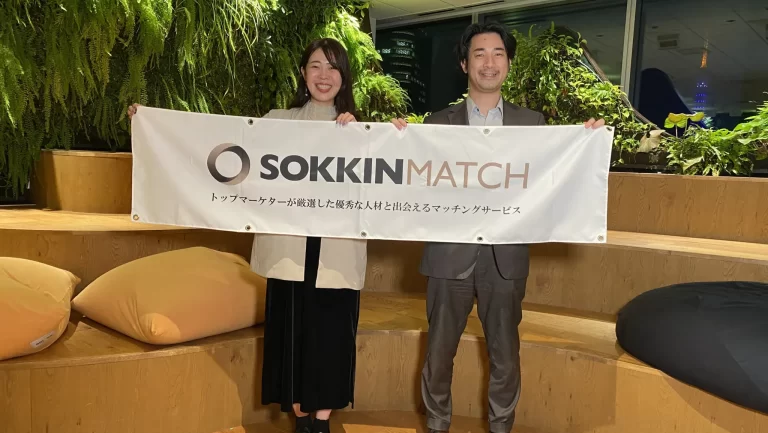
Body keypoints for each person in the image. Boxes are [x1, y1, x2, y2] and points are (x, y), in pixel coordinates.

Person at [127, 38, 364, 433]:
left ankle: (322, 421)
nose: (324, 75)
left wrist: (390, 134)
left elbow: (393, 170)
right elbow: (218, 142)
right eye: (316, 66)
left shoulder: (363, 129)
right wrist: (152, 122)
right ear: (303, 73)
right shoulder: (275, 121)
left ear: (344, 76)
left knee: (332, 334)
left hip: (336, 252)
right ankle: (301, 418)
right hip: (289, 249)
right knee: (292, 335)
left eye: (333, 67)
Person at [391, 23, 605, 433]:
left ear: (508, 63)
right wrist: (397, 142)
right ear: (464, 63)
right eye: (479, 54)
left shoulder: (533, 123)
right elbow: (413, 183)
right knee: (439, 355)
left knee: (505, 356)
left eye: (498, 54)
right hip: (448, 256)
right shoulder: (435, 123)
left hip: (505, 259)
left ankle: (501, 427)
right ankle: (436, 425)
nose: (489, 62)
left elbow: (555, 177)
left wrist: (587, 143)